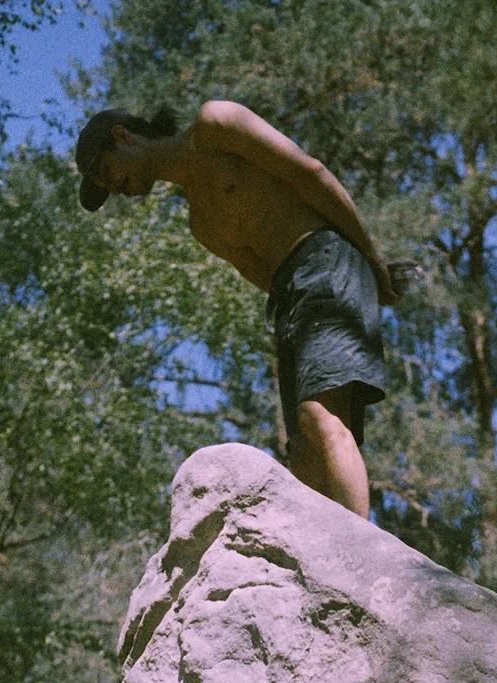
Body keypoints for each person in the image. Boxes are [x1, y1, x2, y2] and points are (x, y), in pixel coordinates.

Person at [73, 100, 403, 520]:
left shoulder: (216, 124)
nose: (114, 188)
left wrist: (370, 259)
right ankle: (318, 570)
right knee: (303, 450)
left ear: (123, 137)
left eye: (107, 173)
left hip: (324, 256)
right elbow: (261, 274)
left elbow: (309, 172)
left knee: (321, 418)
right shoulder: (203, 224)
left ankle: (359, 560)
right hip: (290, 297)